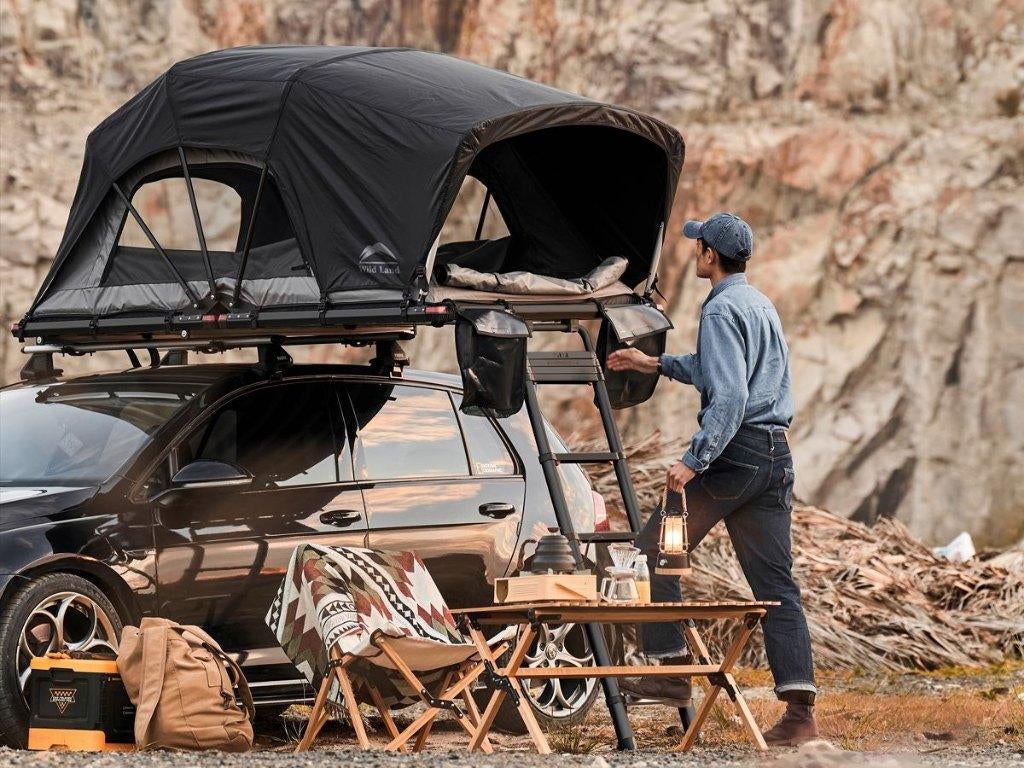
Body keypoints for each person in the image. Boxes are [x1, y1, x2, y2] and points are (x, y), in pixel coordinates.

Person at [607, 212, 819, 746]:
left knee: (656, 549)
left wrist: (694, 460)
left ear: (710, 256)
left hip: (735, 456)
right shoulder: (759, 303)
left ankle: (670, 670)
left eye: (698, 245)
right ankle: (800, 716)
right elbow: (717, 370)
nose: (694, 252)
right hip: (774, 456)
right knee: (777, 588)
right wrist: (654, 364)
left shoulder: (721, 309)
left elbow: (730, 397)